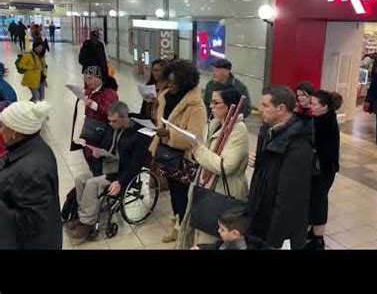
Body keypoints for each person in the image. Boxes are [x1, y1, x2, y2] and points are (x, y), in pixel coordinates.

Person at [177, 87, 249, 249]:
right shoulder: (215, 124)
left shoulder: (239, 130)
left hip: (223, 191)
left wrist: (199, 150)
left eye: (216, 103)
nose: (211, 106)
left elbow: (225, 166)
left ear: (231, 106)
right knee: (197, 229)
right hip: (205, 186)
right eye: (211, 102)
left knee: (212, 235)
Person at [68, 101, 152, 242]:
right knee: (80, 180)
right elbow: (107, 145)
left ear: (125, 118)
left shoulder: (140, 135)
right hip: (109, 164)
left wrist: (120, 182)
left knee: (93, 184)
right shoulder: (114, 127)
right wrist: (99, 152)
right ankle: (83, 215)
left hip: (122, 172)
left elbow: (135, 164)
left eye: (114, 121)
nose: (111, 124)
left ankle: (87, 223)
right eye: (110, 121)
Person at [247, 85, 313, 249]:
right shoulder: (267, 131)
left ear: (281, 109)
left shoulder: (298, 145)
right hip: (260, 216)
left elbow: (289, 200)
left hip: (276, 230)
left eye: (265, 105)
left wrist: (273, 242)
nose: (260, 109)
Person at [149, 59, 207, 243]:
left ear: (186, 83)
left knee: (181, 192)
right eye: (169, 81)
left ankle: (181, 227)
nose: (171, 86)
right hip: (167, 151)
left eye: (176, 83)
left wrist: (169, 134)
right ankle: (177, 217)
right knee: (173, 190)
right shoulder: (166, 97)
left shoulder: (195, 105)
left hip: (183, 156)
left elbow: (194, 137)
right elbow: (160, 120)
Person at [0, 101, 62, 249]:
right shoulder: (33, 146)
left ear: (15, 133)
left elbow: (32, 221)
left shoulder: (33, 171)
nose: (1, 131)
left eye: (3, 127)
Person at [305, 90, 342, 250]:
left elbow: (318, 147)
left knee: (319, 201)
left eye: (314, 104)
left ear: (325, 107)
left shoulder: (325, 123)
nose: (310, 106)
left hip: (324, 170)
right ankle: (314, 232)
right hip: (322, 169)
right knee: (315, 199)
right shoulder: (322, 118)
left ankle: (318, 239)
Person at [82, 66, 119, 176]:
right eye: (85, 78)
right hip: (90, 133)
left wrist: (93, 105)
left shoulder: (110, 93)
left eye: (90, 78)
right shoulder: (90, 92)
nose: (87, 81)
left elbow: (110, 112)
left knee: (99, 165)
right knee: (91, 161)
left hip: (102, 135)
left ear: (99, 78)